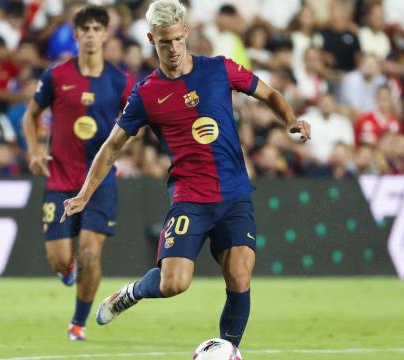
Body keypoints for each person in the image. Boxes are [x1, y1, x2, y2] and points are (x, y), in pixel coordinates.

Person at [61, 0, 311, 348]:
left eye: (178, 39)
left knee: (239, 275)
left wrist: (291, 121)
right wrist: (84, 195)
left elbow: (268, 94)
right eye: (164, 42)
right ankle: (131, 293)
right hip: (190, 198)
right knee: (173, 283)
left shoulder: (219, 69)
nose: (173, 48)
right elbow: (113, 146)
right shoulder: (147, 93)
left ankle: (227, 351)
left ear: (186, 33)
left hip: (235, 194)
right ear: (151, 39)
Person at [21, 6, 133, 342]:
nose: (90, 34)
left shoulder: (119, 80)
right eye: (85, 28)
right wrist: (35, 149)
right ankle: (66, 270)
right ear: (76, 34)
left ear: (105, 34)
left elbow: (137, 120)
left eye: (97, 28)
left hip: (98, 182)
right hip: (59, 178)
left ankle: (78, 322)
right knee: (59, 259)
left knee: (89, 252)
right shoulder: (56, 76)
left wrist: (130, 138)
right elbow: (30, 116)